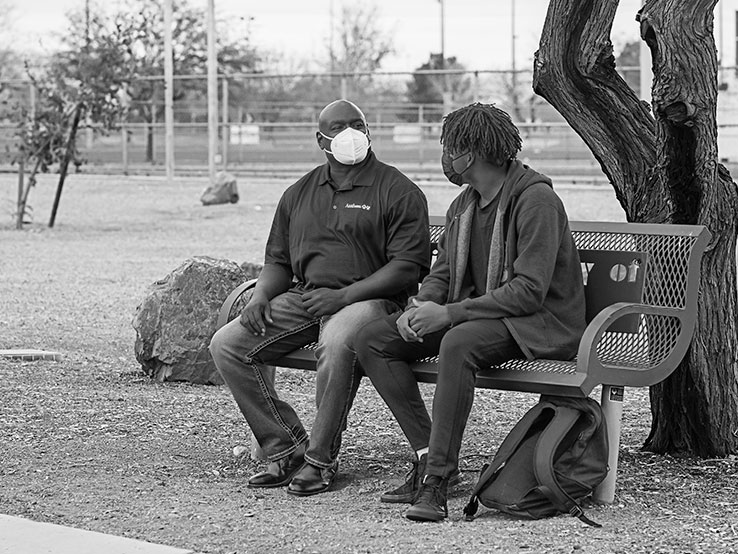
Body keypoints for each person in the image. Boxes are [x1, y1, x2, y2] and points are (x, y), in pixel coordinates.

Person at [355, 102, 586, 521]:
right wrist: (424, 303)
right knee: (373, 338)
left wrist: (449, 315)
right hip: (483, 316)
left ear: (473, 152)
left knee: (458, 341)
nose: (446, 156)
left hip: (539, 325)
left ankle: (436, 482)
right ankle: (430, 453)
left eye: (450, 146)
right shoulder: (464, 204)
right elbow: (443, 272)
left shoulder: (536, 201)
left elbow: (529, 292)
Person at [209, 99, 430, 497]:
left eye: (357, 124)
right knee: (227, 344)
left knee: (337, 340)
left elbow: (406, 268)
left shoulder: (397, 190)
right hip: (307, 298)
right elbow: (278, 260)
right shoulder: (299, 193)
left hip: (372, 301)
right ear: (320, 139)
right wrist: (260, 295)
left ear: (368, 131)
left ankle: (320, 459)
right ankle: (285, 445)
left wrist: (343, 296)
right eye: (339, 126)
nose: (350, 133)